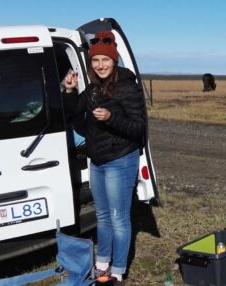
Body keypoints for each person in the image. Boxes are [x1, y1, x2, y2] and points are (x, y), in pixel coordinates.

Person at [62, 30, 146, 284]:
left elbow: (139, 128)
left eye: (105, 60)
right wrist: (69, 91)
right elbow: (72, 114)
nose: (100, 65)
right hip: (97, 161)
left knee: (119, 218)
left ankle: (118, 270)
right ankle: (101, 264)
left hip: (120, 160)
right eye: (95, 61)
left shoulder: (126, 88)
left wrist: (112, 118)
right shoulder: (94, 89)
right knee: (102, 216)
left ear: (114, 60)